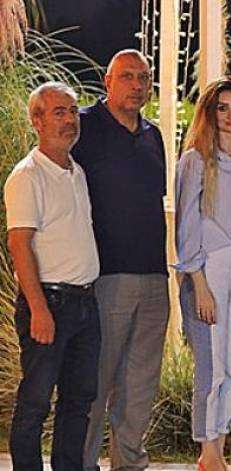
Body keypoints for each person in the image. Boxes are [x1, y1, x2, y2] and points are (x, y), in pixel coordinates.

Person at [74, 49, 170, 471]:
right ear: (107, 82)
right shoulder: (84, 127)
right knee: (95, 382)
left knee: (140, 383)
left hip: (153, 276)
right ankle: (81, 462)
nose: (137, 85)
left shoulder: (153, 135)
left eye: (143, 78)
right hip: (105, 275)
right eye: (127, 76)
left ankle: (129, 463)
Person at [174, 76, 231, 471]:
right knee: (210, 366)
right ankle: (207, 451)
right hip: (210, 266)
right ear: (210, 113)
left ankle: (220, 447)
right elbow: (186, 224)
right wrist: (198, 283)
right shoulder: (195, 160)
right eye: (223, 107)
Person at [5, 82, 100, 471]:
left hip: (85, 304)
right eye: (59, 112)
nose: (69, 120)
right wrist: (39, 310)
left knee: (79, 401)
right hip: (49, 304)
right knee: (35, 402)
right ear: (37, 121)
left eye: (73, 111)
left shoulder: (77, 172)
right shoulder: (27, 176)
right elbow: (19, 245)